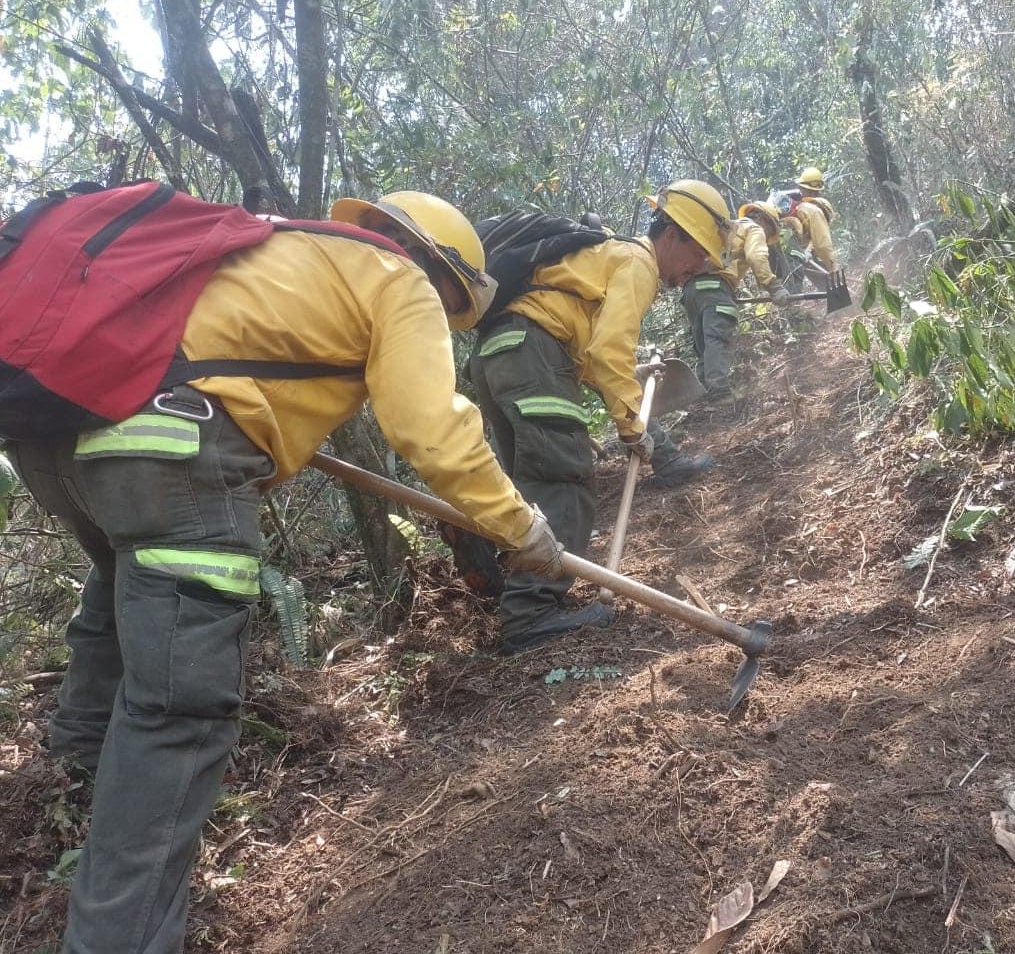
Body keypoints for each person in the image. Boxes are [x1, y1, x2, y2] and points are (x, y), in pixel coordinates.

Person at [3, 189, 559, 954]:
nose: (444, 310)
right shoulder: (399, 279)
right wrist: (520, 526)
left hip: (51, 442)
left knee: (118, 589)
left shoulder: (272, 243)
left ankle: (65, 783)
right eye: (452, 302)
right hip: (170, 451)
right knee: (176, 712)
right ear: (444, 273)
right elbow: (431, 429)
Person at [467, 179, 730, 654]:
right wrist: (631, 427)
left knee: (527, 484)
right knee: (561, 478)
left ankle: (511, 589)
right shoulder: (637, 262)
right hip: (532, 353)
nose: (699, 267)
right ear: (672, 235)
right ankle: (530, 613)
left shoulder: (605, 256)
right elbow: (609, 352)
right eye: (698, 253)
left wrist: (632, 408)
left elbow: (589, 355)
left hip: (496, 356)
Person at [679, 200, 790, 406]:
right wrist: (773, 286)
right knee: (716, 339)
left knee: (702, 343)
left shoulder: (726, 228)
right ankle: (719, 393)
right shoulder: (753, 228)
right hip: (715, 287)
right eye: (769, 231)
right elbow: (756, 257)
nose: (766, 236)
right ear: (763, 219)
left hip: (691, 290)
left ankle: (704, 395)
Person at [782, 166, 838, 290]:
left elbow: (809, 240)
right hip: (795, 257)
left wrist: (808, 251)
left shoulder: (792, 208)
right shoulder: (814, 211)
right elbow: (823, 246)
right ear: (815, 192)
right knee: (793, 292)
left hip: (781, 254)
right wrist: (833, 270)